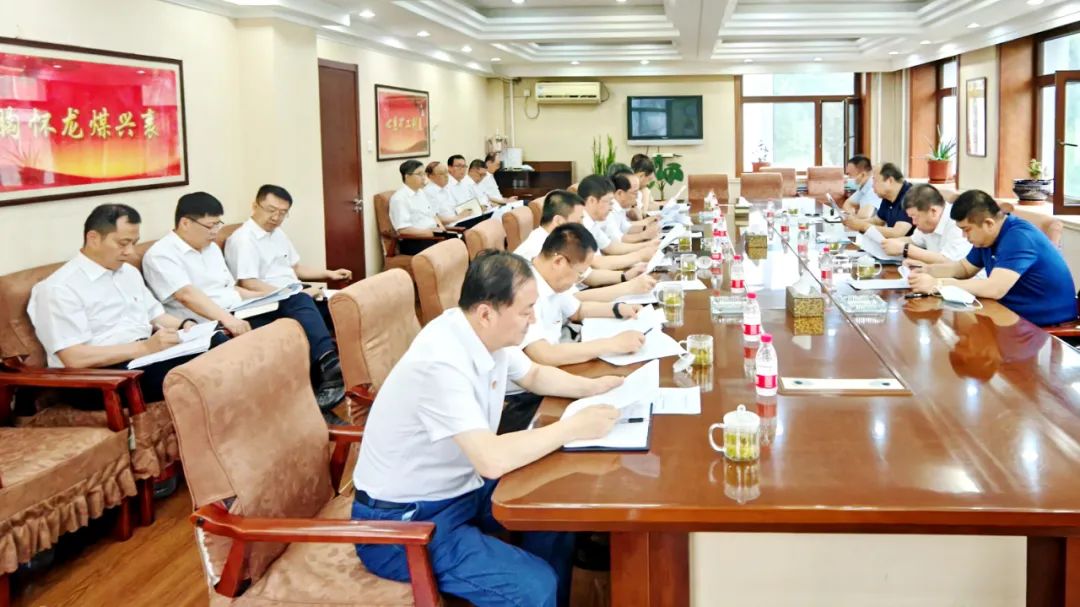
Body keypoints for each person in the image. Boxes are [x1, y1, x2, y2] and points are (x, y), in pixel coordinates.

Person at [351, 250, 624, 607]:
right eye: (526, 311)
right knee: (534, 587)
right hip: (401, 524)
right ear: (486, 313)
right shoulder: (440, 362)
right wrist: (571, 427)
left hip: (460, 486)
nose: (533, 319)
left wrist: (597, 387)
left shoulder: (480, 332)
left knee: (555, 502)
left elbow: (534, 374)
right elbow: (491, 460)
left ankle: (547, 587)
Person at [141, 192, 346, 414]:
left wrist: (270, 297)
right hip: (213, 321)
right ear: (185, 223)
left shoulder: (210, 248)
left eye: (218, 224)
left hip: (238, 309)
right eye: (210, 226)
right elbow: (186, 295)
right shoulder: (161, 255)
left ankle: (328, 365)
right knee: (287, 329)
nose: (215, 232)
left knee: (297, 300)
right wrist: (228, 319)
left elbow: (233, 289)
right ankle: (317, 398)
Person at [27, 203, 227, 404]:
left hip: (143, 358)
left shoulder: (128, 272)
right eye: (123, 243)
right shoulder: (58, 288)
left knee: (219, 342)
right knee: (208, 370)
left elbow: (156, 316)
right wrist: (144, 348)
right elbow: (74, 358)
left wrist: (186, 327)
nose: (130, 252)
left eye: (134, 243)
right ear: (93, 238)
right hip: (102, 378)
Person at [500, 224, 646, 433]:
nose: (578, 281)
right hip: (523, 398)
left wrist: (618, 309)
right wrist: (612, 344)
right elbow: (544, 356)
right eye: (579, 274)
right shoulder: (523, 289)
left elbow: (577, 310)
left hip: (547, 377)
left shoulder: (549, 280)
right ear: (559, 261)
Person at [908, 190, 1077, 327]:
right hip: (1012, 315)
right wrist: (927, 270)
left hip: (1046, 323)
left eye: (967, 229)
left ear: (988, 223)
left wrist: (937, 284)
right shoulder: (987, 238)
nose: (965, 236)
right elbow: (963, 269)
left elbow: (995, 288)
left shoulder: (1019, 238)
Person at [224, 184, 352, 327]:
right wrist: (292, 295)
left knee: (347, 306)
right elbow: (249, 283)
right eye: (271, 210)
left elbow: (295, 268)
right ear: (255, 206)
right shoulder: (244, 239)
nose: (276, 217)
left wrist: (330, 274)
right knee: (333, 315)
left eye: (283, 213)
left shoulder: (277, 232)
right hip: (272, 302)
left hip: (293, 293)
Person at [517, 189, 656, 294]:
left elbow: (588, 275)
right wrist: (629, 286)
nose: (582, 225)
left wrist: (625, 276)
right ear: (558, 221)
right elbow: (574, 301)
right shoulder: (539, 249)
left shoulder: (560, 240)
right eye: (578, 220)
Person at [880, 183, 971, 265]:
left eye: (915, 217)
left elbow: (949, 262)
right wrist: (887, 243)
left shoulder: (957, 221)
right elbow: (913, 240)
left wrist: (905, 249)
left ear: (933, 211)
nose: (914, 222)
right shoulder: (927, 223)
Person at [579, 174, 657, 258]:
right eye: (609, 202)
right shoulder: (582, 224)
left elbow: (610, 246)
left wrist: (647, 245)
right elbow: (598, 261)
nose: (611, 208)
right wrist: (640, 254)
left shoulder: (592, 223)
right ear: (592, 201)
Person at [388, 160, 457, 255]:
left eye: (424, 174)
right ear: (407, 176)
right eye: (419, 174)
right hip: (415, 241)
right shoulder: (399, 198)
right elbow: (404, 230)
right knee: (451, 250)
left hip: (434, 236)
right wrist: (431, 233)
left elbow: (434, 216)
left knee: (459, 243)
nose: (424, 178)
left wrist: (442, 231)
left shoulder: (421, 193)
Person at [842, 163, 914, 238]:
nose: (872, 186)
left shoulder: (910, 196)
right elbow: (878, 221)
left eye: (875, 181)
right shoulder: (887, 196)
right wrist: (853, 222)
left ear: (889, 181)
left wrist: (862, 226)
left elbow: (896, 233)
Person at [423, 161, 477, 227]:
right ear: (430, 176)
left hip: (460, 220)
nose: (446, 176)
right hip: (452, 226)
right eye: (441, 173)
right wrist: (458, 217)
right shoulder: (429, 192)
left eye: (446, 172)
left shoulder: (447, 187)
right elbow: (435, 218)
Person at [842, 155, 882, 219]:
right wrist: (853, 216)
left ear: (863, 175)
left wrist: (851, 217)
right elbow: (847, 204)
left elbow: (864, 216)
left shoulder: (873, 189)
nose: (847, 179)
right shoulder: (863, 188)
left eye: (850, 175)